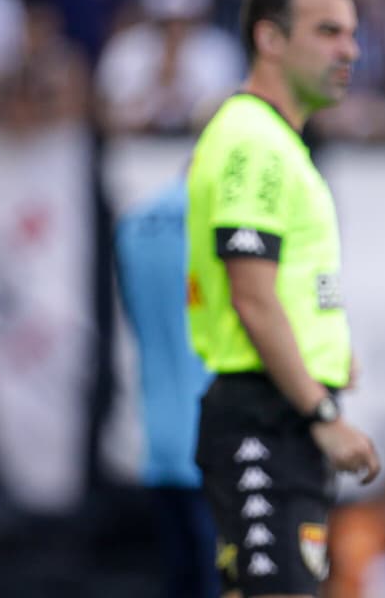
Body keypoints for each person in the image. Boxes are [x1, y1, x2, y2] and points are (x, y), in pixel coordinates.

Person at [187, 0, 380, 598]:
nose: (348, 50)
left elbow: (285, 284)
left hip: (281, 417)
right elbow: (251, 292)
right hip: (264, 415)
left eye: (351, 33)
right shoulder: (252, 140)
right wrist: (321, 410)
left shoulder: (280, 143)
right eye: (328, 32)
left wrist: (330, 354)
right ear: (269, 39)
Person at [115, 176, 219, 598]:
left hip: (155, 439)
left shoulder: (134, 222)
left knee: (177, 580)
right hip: (214, 440)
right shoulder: (223, 223)